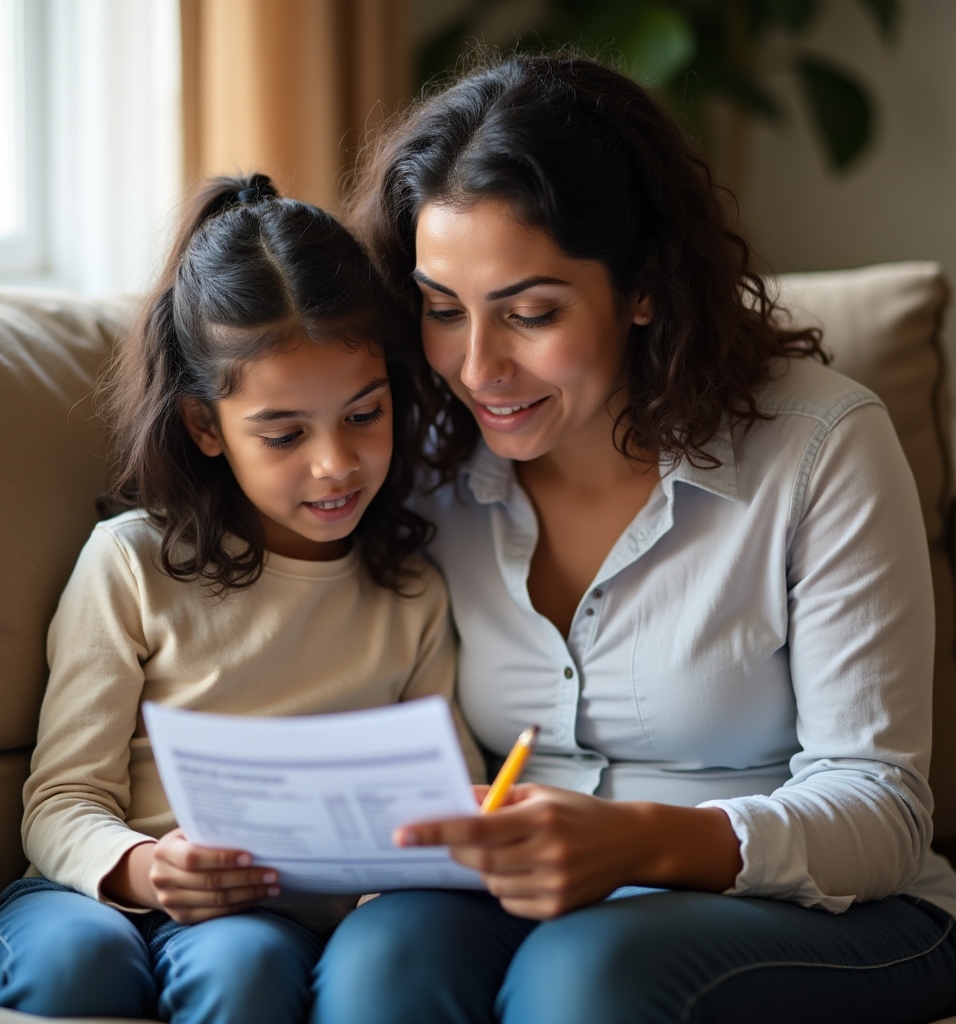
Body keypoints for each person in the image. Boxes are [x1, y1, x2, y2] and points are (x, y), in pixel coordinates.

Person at [310, 53, 956, 1023]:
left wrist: (642, 843)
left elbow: (883, 811)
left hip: (832, 906)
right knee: (380, 961)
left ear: (643, 286)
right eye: (443, 311)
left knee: (585, 977)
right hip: (525, 893)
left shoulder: (818, 445)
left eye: (530, 313)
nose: (476, 366)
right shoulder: (425, 456)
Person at [0, 173, 483, 1024]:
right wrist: (141, 867)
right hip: (95, 892)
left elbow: (445, 795)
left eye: (365, 414)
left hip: (259, 921)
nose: (336, 463)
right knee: (78, 962)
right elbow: (62, 800)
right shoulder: (133, 564)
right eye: (284, 434)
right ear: (207, 428)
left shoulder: (409, 593)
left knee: (245, 964)